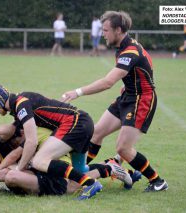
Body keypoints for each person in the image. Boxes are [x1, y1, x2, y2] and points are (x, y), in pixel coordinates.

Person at [61, 11, 168, 192]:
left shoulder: (130, 50)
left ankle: (158, 181)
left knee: (123, 148)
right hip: (128, 96)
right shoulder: (124, 46)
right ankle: (79, 173)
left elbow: (108, 82)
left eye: (106, 30)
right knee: (95, 134)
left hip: (141, 100)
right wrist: (130, 85)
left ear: (118, 30)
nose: (102, 34)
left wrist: (77, 92)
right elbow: (144, 68)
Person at [0, 83, 133, 200]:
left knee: (39, 161)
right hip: (82, 122)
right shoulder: (20, 104)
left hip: (75, 123)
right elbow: (12, 128)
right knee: (78, 175)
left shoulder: (21, 104)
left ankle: (90, 184)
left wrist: (19, 169)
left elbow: (31, 141)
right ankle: (112, 169)